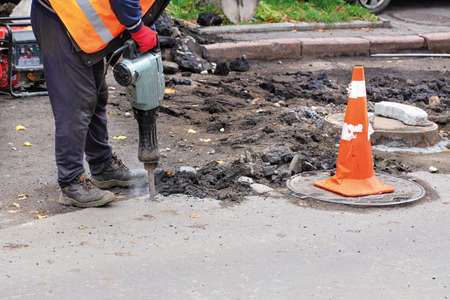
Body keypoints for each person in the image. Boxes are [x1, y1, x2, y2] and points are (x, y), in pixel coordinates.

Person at [31, 0, 158, 207]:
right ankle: (71, 181)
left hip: (83, 22)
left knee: (97, 95)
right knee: (75, 101)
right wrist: (136, 28)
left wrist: (144, 27)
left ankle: (102, 165)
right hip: (62, 17)